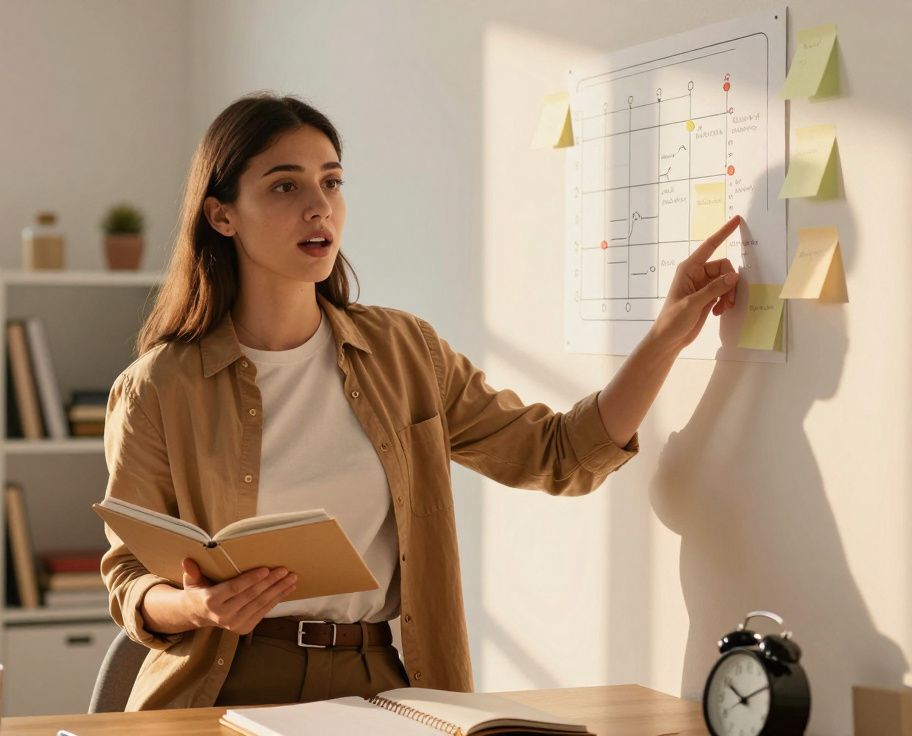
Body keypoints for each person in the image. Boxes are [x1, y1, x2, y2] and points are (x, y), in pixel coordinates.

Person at [99, 92, 742, 711]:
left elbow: (558, 454)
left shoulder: (405, 352)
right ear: (222, 215)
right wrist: (195, 606)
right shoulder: (159, 387)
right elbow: (130, 575)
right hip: (223, 680)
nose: (319, 206)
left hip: (382, 681)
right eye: (285, 185)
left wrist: (666, 336)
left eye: (332, 181)